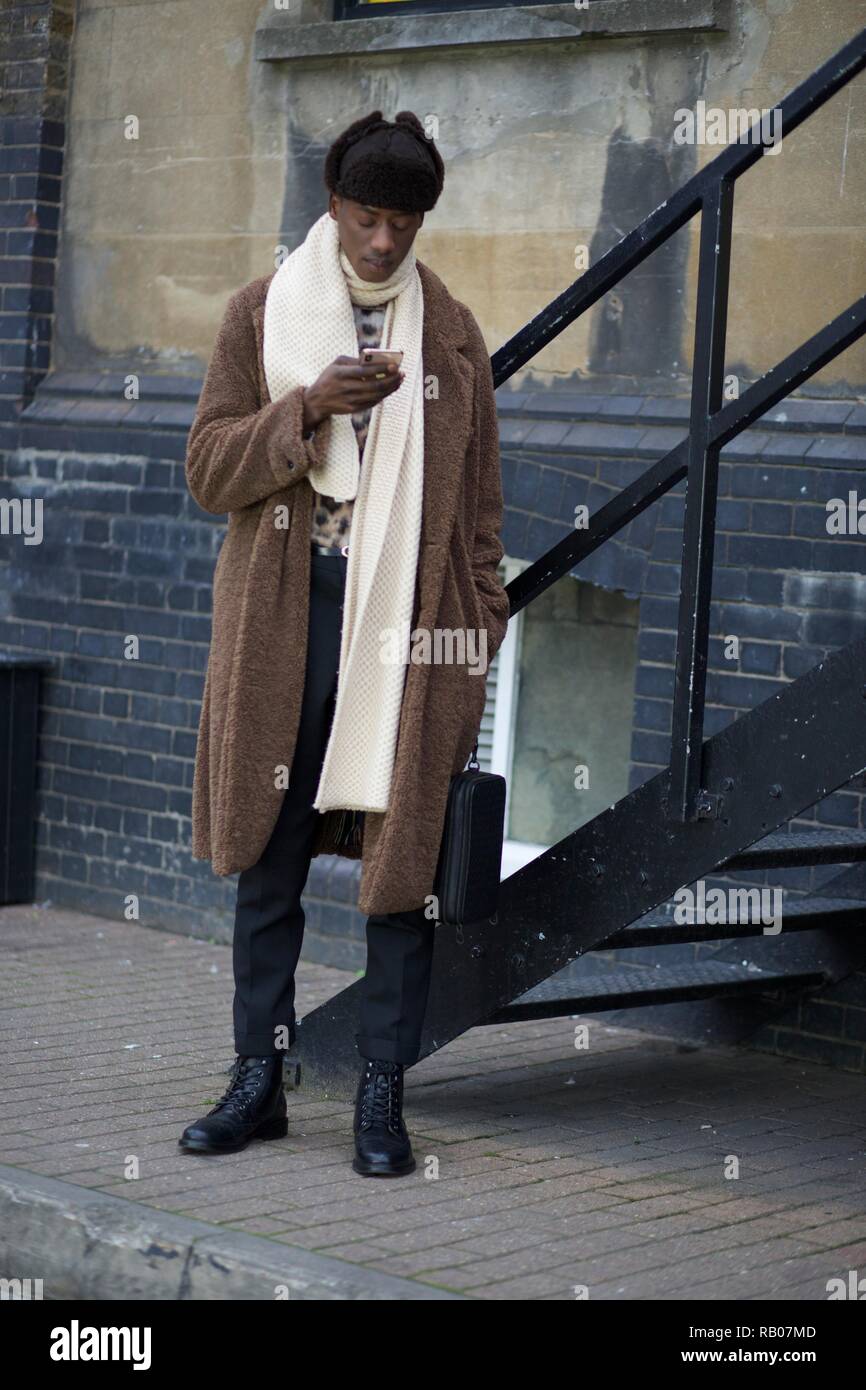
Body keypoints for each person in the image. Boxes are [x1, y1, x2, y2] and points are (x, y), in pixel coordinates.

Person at [180, 110, 510, 1177]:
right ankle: (257, 1082)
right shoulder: (261, 314)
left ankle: (381, 1095)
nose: (382, 243)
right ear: (333, 206)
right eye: (367, 218)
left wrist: (476, 624)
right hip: (287, 616)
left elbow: (482, 516)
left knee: (399, 873)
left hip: (407, 633)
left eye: (402, 223)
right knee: (268, 860)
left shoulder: (452, 340)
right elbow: (207, 472)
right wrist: (307, 409)